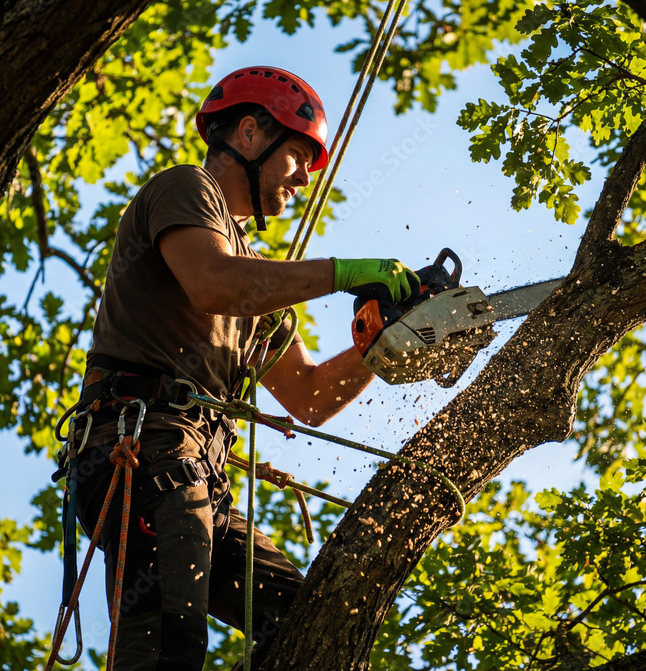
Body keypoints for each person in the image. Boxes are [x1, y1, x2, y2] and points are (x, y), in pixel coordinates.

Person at [72, 65, 419, 670]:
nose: (304, 182)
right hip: (145, 452)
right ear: (252, 133)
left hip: (200, 476)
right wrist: (341, 272)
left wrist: (382, 346)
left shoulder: (257, 279)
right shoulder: (186, 190)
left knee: (303, 620)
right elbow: (212, 284)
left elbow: (310, 396)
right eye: (298, 160)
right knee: (166, 648)